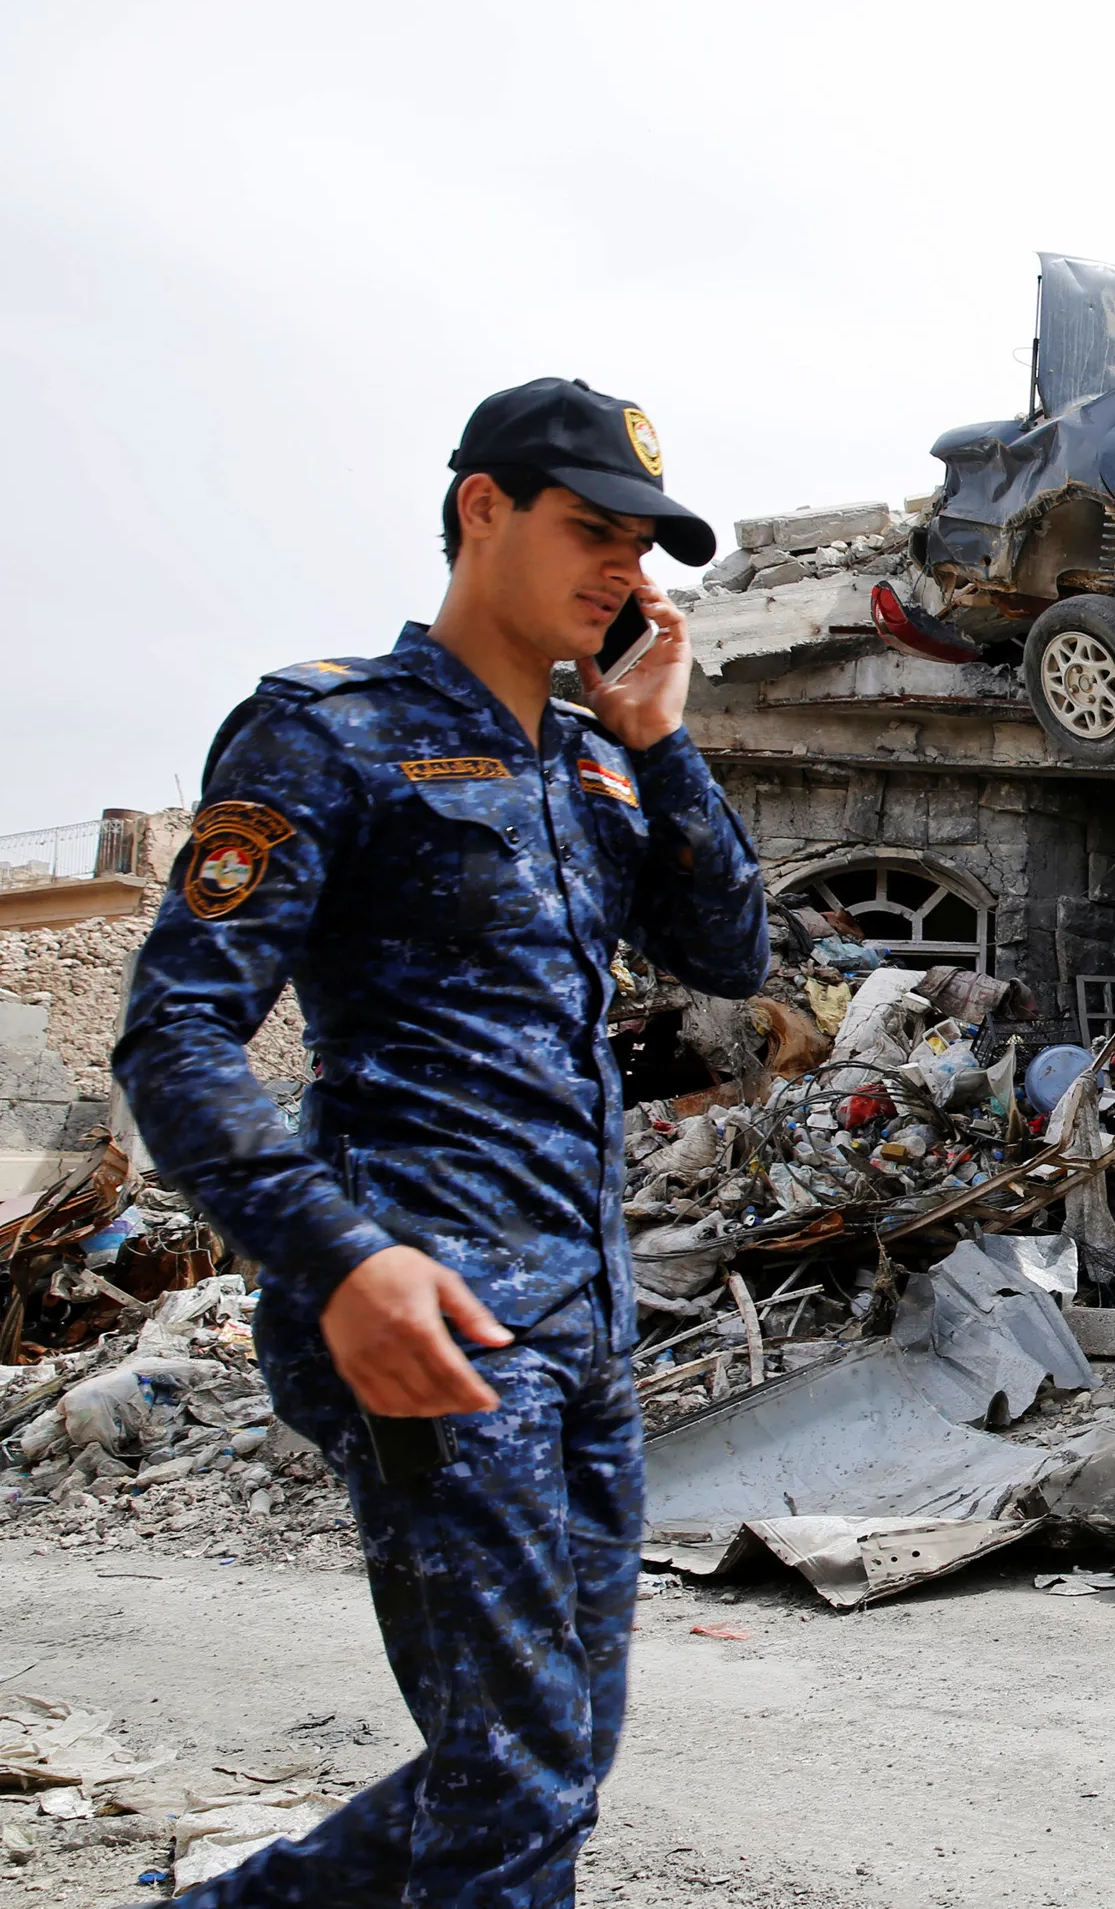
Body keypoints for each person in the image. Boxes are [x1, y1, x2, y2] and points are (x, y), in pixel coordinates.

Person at [111, 378, 769, 1907]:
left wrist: (661, 743)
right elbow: (176, 1034)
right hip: (431, 1314)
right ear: (483, 508)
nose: (625, 571)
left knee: (541, 1763)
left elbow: (732, 954)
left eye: (643, 547)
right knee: (523, 1792)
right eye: (591, 532)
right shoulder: (327, 731)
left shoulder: (595, 752)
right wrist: (339, 1262)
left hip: (587, 1318)